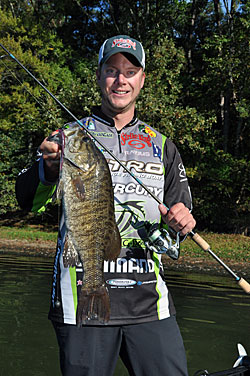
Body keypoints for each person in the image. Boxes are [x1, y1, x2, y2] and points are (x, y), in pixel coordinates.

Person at [16, 35, 196, 376]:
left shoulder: (163, 146)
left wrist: (181, 222)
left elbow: (178, 224)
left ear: (142, 80)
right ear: (99, 76)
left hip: (148, 305)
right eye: (112, 71)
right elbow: (26, 199)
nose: (121, 80)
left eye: (130, 71)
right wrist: (48, 169)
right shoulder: (69, 136)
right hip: (79, 297)